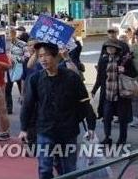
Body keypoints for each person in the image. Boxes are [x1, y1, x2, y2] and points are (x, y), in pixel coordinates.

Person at [20, 42, 96, 179]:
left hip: (68, 130)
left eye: (46, 55)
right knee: (44, 168)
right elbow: (28, 105)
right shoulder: (35, 79)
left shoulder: (72, 77)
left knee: (69, 169)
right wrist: (24, 129)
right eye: (40, 56)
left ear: (56, 57)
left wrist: (91, 126)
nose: (43, 59)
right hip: (45, 130)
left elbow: (84, 102)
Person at [92, 39, 136, 145]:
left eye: (112, 47)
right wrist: (94, 89)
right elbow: (100, 77)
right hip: (108, 95)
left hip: (121, 95)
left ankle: (122, 139)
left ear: (116, 49)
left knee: (122, 119)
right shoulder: (103, 60)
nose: (110, 49)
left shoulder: (124, 60)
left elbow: (134, 73)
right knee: (106, 117)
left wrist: (124, 70)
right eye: (108, 47)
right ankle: (108, 137)